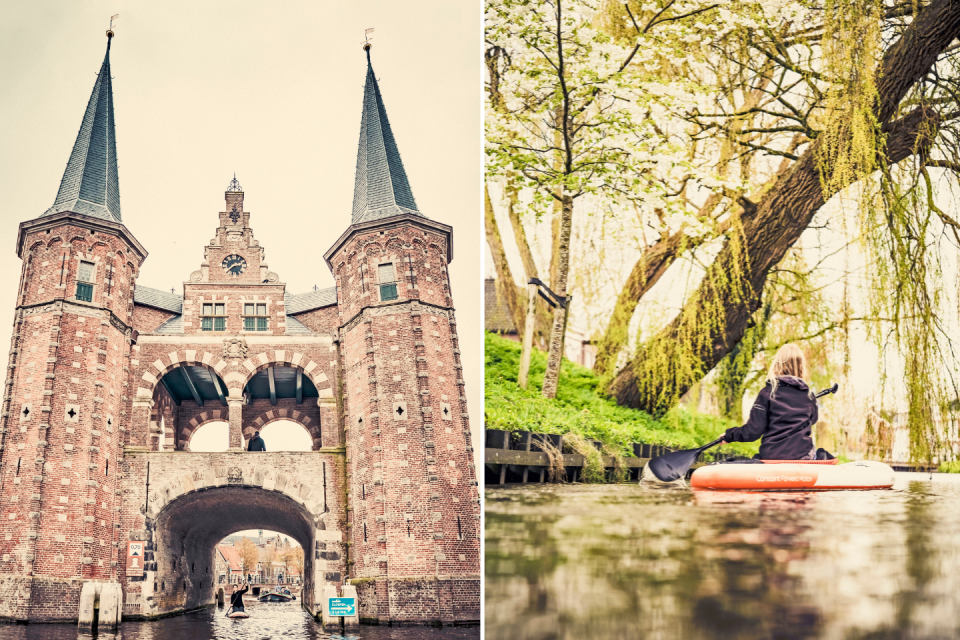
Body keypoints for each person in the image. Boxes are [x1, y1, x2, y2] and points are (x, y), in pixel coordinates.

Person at [721, 343, 833, 460]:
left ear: (777, 364)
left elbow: (753, 431)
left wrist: (730, 435)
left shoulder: (768, 393)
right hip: (802, 455)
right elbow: (813, 420)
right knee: (822, 454)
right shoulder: (808, 395)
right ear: (801, 367)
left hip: (772, 455)